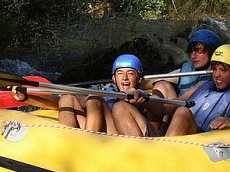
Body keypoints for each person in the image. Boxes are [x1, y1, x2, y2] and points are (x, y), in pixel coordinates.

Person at [11, 54, 155, 136]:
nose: (124, 78)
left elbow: (155, 102)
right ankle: (67, 140)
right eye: (120, 73)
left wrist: (138, 94)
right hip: (105, 132)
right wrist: (27, 97)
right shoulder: (106, 91)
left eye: (130, 73)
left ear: (138, 79)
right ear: (113, 78)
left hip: (121, 137)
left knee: (95, 98)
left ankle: (87, 141)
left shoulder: (141, 94)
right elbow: (57, 104)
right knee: (68, 97)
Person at [164, 44, 230, 135]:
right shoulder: (204, 87)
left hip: (200, 143)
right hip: (182, 139)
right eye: (214, 69)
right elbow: (170, 106)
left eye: (223, 70)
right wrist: (148, 99)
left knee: (182, 111)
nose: (216, 75)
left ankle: (164, 154)